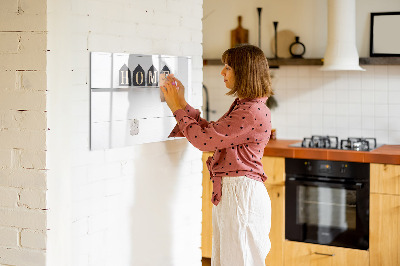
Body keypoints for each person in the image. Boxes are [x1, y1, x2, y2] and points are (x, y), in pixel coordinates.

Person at [161, 44, 273, 266]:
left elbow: (204, 141)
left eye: (228, 67)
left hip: (241, 195)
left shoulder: (250, 111)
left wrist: (176, 108)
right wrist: (182, 103)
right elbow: (212, 133)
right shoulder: (246, 106)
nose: (222, 72)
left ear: (244, 72)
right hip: (236, 193)